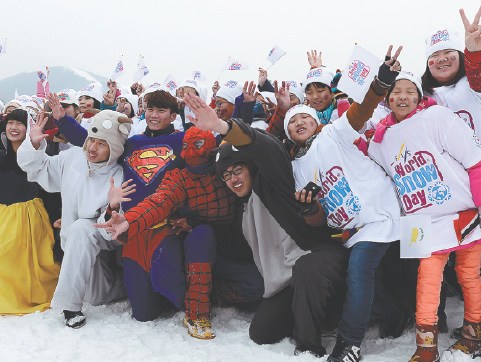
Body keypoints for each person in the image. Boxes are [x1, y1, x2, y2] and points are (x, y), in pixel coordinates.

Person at [180, 91, 348, 358]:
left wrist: (221, 127)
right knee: (261, 333)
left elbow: (263, 145)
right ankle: (320, 313)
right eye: (225, 176)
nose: (232, 179)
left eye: (237, 171)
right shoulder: (241, 210)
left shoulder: (272, 182)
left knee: (307, 270)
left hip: (318, 255)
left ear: (251, 168)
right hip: (287, 281)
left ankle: (308, 347)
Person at [284, 46, 406, 362]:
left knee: (360, 271)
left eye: (304, 117)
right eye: (292, 122)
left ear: (315, 121)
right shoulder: (297, 167)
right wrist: (310, 209)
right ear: (289, 134)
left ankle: (348, 343)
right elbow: (318, 220)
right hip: (350, 230)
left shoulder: (335, 132)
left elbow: (362, 109)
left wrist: (380, 84)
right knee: (368, 280)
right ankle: (394, 315)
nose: (299, 122)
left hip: (378, 215)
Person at [369, 71, 481, 361]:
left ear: (419, 96)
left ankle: (473, 335)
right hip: (418, 220)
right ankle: (426, 347)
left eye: (409, 90)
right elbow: (372, 167)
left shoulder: (438, 117)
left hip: (462, 210)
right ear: (388, 98)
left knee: (468, 275)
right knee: (426, 279)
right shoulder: (381, 138)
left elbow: (474, 160)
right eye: (396, 91)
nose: (402, 96)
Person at [95, 127, 241, 339]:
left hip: (227, 243)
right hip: (177, 238)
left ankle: (199, 310)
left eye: (198, 145)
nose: (191, 150)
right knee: (144, 312)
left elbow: (257, 145)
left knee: (205, 237)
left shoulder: (225, 168)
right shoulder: (179, 176)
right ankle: (181, 293)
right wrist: (128, 221)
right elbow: (159, 202)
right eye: (186, 146)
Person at [17, 109, 131, 328]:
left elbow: (109, 229)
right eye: (91, 140)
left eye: (102, 144)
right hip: (72, 246)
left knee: (81, 228)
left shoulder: (118, 175)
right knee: (96, 297)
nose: (93, 148)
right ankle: (120, 284)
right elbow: (38, 169)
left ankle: (70, 306)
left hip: (100, 240)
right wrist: (33, 146)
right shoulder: (73, 157)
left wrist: (113, 208)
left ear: (114, 148)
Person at [0, 109, 60, 314]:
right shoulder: (1, 157)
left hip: (30, 220)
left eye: (19, 123)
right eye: (10, 123)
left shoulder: (42, 157)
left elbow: (51, 194)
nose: (13, 128)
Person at [421, 7, 481, 136]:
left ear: (461, 56)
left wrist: (474, 53)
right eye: (434, 55)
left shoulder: (472, 85)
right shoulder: (418, 95)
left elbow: (477, 76)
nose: (442, 59)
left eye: (448, 52)